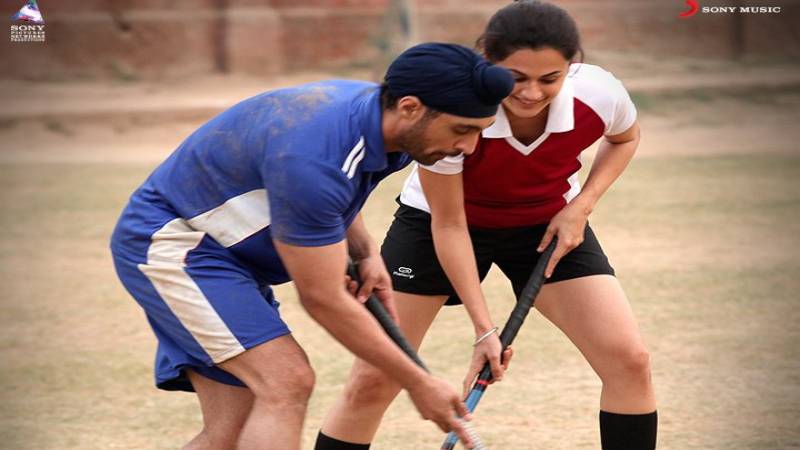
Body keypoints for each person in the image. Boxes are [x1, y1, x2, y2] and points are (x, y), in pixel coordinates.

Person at [109, 43, 514, 450]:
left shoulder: (379, 125)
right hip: (179, 247)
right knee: (286, 382)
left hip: (228, 259)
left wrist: (364, 250)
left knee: (233, 432)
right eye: (461, 130)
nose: (469, 147)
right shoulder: (314, 156)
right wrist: (418, 382)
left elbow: (339, 187)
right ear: (409, 107)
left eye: (479, 131)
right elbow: (323, 298)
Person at [316, 2, 657, 450]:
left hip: (545, 223)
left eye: (549, 79)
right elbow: (450, 224)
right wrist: (484, 330)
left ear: (571, 66)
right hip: (437, 226)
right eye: (516, 77)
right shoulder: (456, 110)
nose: (532, 93)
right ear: (487, 63)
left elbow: (625, 137)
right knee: (373, 381)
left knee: (629, 360)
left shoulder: (599, 93)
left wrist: (582, 206)